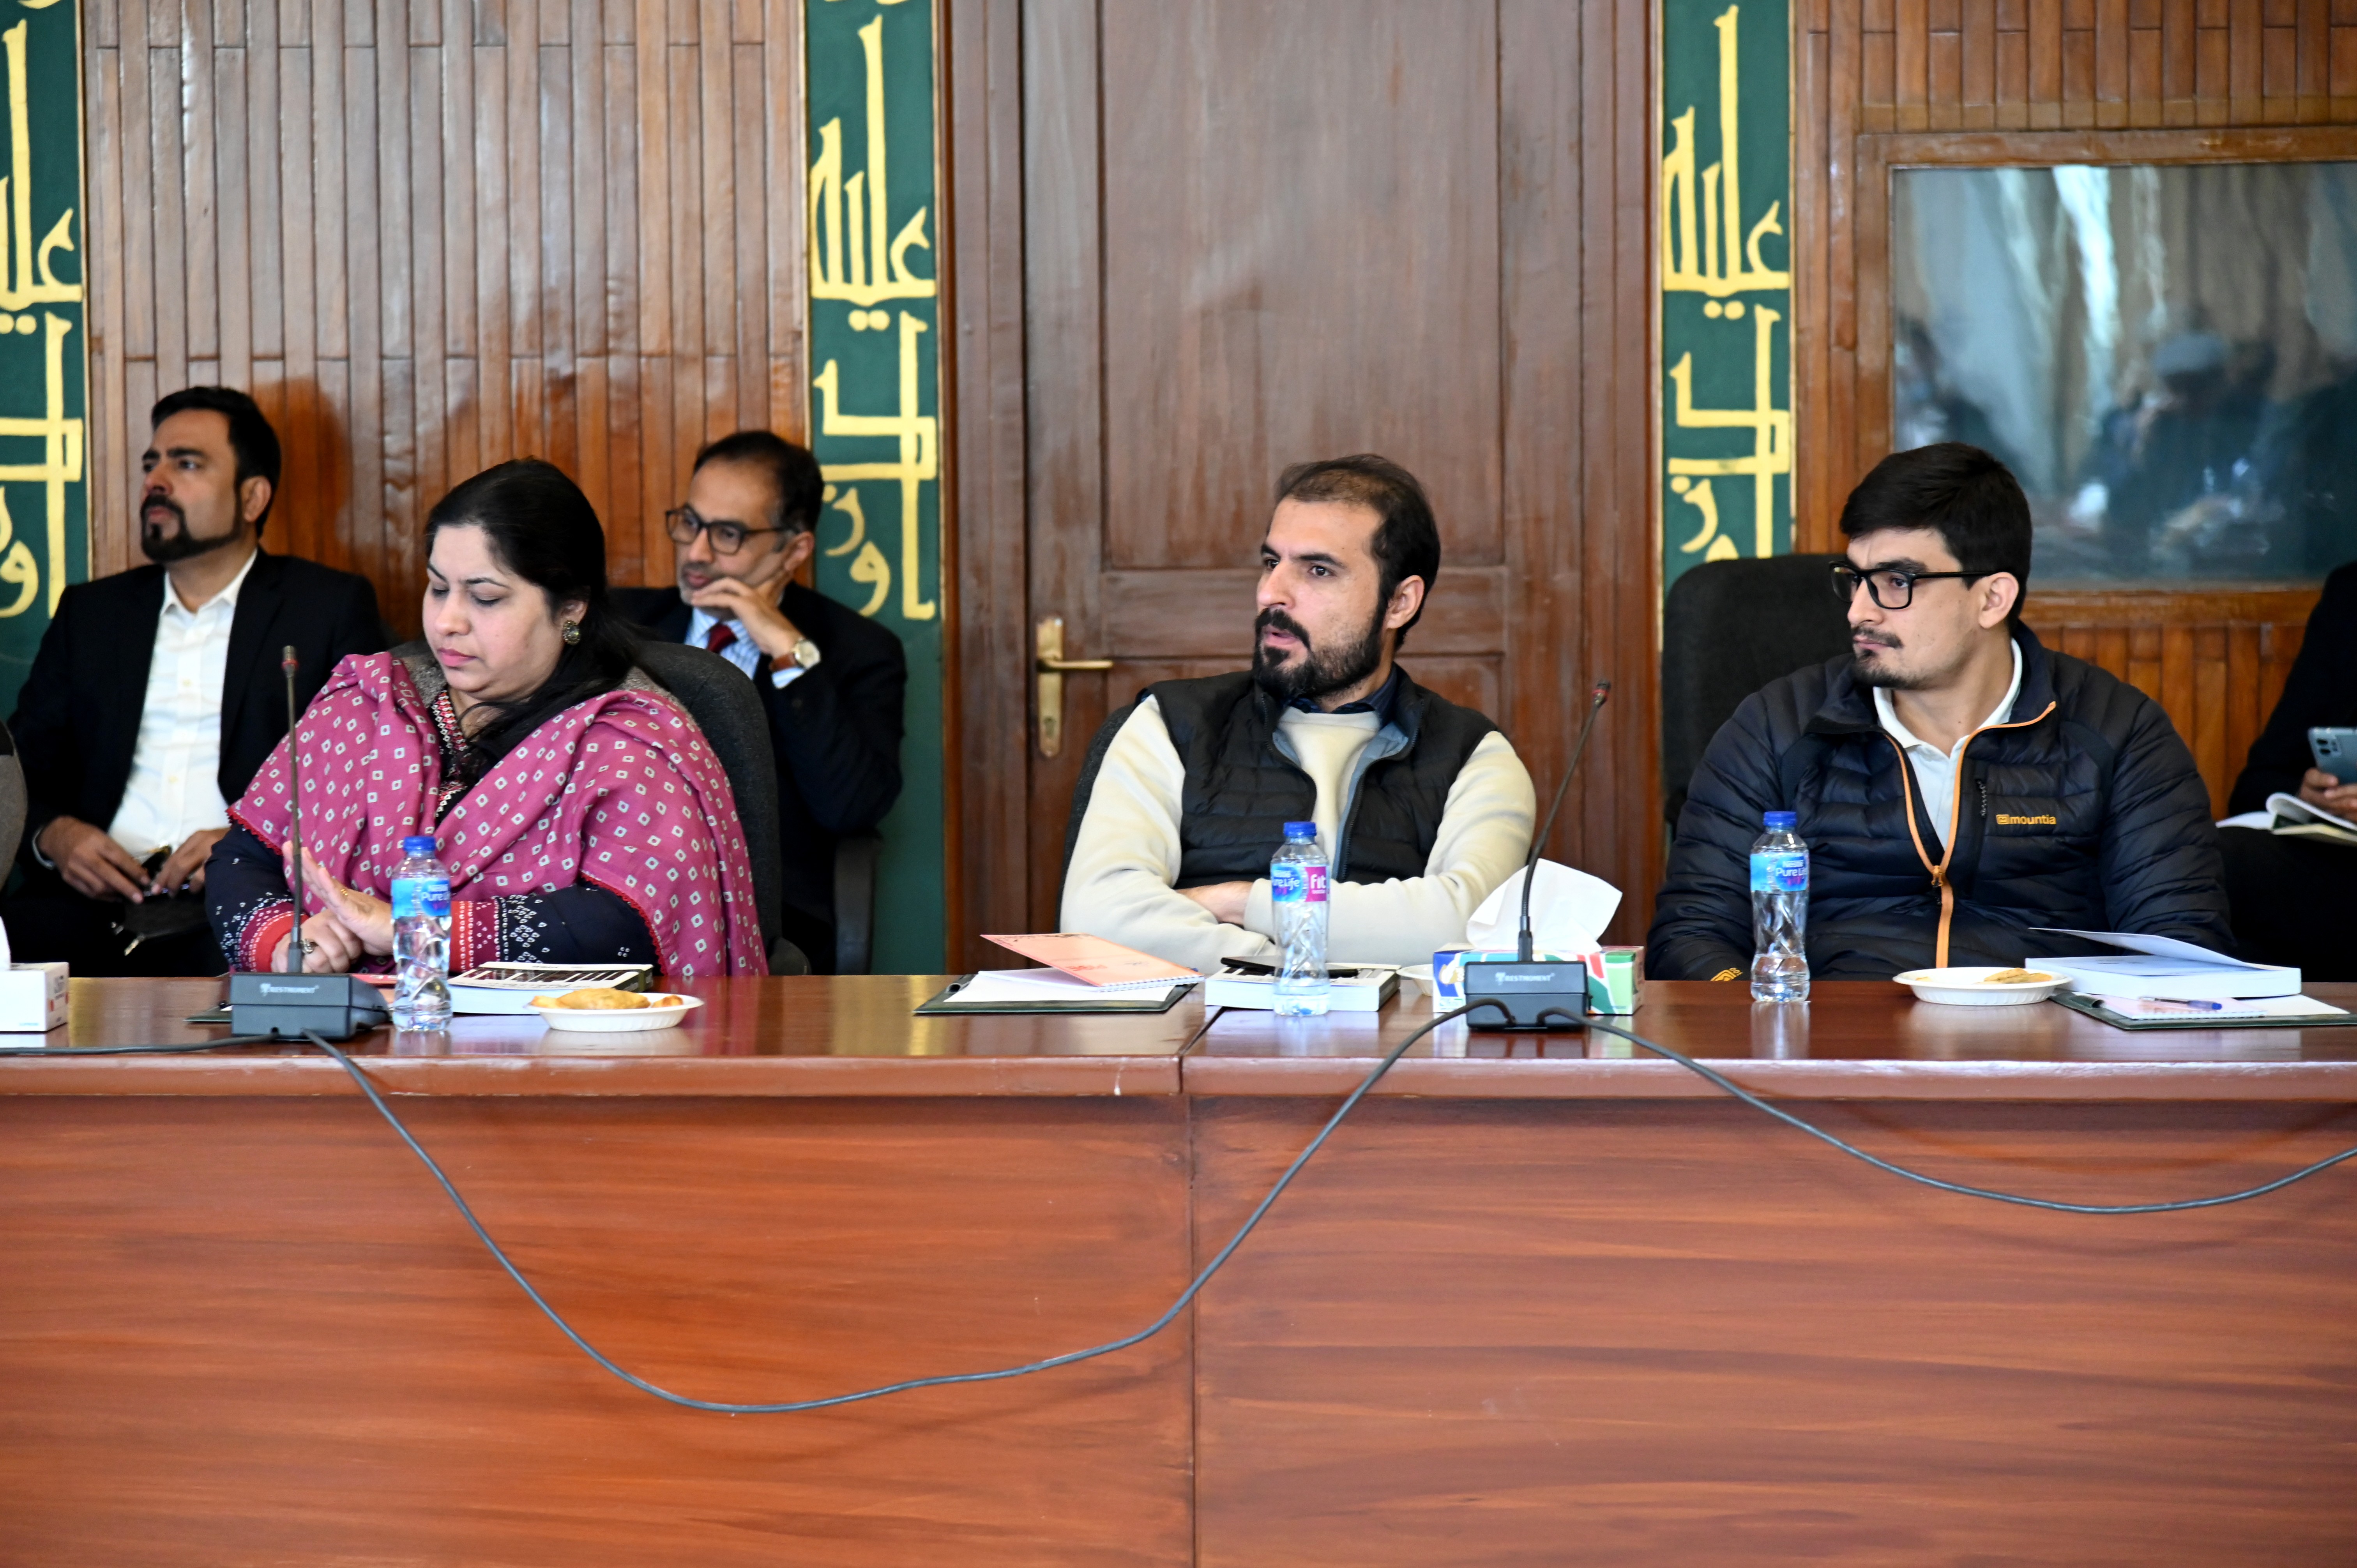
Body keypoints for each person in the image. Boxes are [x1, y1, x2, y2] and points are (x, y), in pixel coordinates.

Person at [1649, 442, 2232, 981]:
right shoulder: (1777, 727)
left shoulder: (2118, 731)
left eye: (1896, 582)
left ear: (1991, 598)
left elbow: (2180, 943)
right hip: (1830, 1053)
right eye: (1855, 580)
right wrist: (1761, 1023)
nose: (1859, 612)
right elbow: (1692, 934)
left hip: (2045, 1054)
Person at [205, 459, 767, 979]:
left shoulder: (629, 740)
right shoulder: (368, 704)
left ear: (570, 607)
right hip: (333, 1042)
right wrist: (288, 941)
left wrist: (418, 931)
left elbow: (630, 922)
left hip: (546, 1053)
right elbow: (245, 855)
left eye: (486, 598)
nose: (448, 621)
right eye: (438, 588)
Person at [1061, 454, 1537, 974]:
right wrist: (1292, 966)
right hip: (1193, 1042)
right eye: (1271, 563)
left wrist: (1242, 904)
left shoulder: (1473, 755)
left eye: (1317, 571)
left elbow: (1470, 924)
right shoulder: (1172, 724)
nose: (1271, 594)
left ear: (1399, 603)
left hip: (1393, 1051)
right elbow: (1095, 922)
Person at [4, 387, 384, 975]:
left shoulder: (325, 608)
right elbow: (19, 764)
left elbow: (365, 774)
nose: (156, 480)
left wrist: (249, 844)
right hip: (84, 905)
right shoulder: (92, 614)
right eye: (150, 463)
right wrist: (54, 836)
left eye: (186, 464)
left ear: (253, 497)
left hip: (240, 904)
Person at [611, 431, 905, 973]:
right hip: (623, 909)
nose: (697, 554)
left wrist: (790, 655)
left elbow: (851, 806)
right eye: (691, 524)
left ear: (793, 550)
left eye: (728, 535)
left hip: (774, 925)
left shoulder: (857, 651)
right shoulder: (622, 626)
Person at [2217, 561, 2357, 980]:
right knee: (2193, 861)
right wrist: (2308, 793)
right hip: (2334, 859)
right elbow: (2257, 784)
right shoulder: (2350, 595)